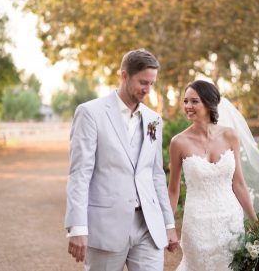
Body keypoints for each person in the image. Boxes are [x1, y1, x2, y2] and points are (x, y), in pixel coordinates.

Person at [65, 48, 179, 271]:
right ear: (124, 75)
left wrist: (168, 223)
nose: (147, 90)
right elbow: (80, 172)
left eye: (151, 84)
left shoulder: (153, 119)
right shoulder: (90, 113)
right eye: (142, 82)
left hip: (147, 226)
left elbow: (155, 174)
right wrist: (77, 226)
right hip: (106, 226)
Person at [168, 80, 259, 271]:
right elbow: (173, 189)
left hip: (230, 220)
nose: (187, 106)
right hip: (197, 223)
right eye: (185, 101)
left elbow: (239, 183)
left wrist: (255, 222)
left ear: (209, 103)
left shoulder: (230, 136)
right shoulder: (178, 142)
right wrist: (169, 227)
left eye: (194, 101)